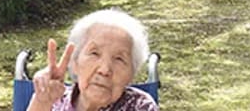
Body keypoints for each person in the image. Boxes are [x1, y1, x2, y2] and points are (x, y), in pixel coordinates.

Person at [28, 9, 158, 111]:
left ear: (131, 74)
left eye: (119, 59)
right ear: (74, 63)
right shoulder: (54, 100)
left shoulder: (139, 106)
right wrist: (41, 103)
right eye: (94, 53)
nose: (105, 69)